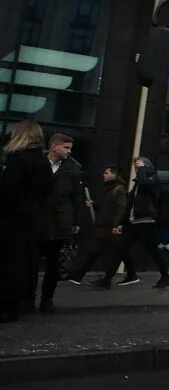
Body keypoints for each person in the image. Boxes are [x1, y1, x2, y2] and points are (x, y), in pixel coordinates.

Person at [91, 157, 169, 290]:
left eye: (138, 166)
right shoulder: (139, 183)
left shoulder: (152, 180)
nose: (136, 169)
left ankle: (165, 276)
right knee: (120, 248)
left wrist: (142, 169)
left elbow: (145, 182)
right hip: (135, 222)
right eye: (135, 166)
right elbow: (130, 205)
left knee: (153, 251)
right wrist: (121, 223)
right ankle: (110, 279)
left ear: (146, 167)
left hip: (147, 221)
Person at [0, 120, 52, 322]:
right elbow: (47, 191)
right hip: (33, 220)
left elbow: (8, 190)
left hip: (12, 220)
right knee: (25, 264)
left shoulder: (17, 159)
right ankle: (17, 305)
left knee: (6, 263)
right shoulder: (43, 162)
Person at [34, 133, 87, 312]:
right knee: (30, 262)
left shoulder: (72, 169)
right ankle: (27, 297)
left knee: (53, 264)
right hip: (37, 220)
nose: (69, 151)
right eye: (66, 147)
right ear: (54, 146)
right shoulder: (38, 163)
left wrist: (76, 221)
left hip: (60, 222)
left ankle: (47, 300)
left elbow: (77, 197)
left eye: (70, 148)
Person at [67, 165, 128, 284]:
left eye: (107, 173)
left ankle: (100, 279)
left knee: (103, 253)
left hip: (109, 227)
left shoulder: (119, 190)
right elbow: (107, 207)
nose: (104, 175)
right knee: (97, 252)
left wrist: (116, 225)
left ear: (114, 175)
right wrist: (94, 205)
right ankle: (81, 276)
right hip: (105, 226)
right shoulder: (110, 189)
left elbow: (120, 209)